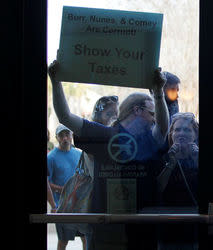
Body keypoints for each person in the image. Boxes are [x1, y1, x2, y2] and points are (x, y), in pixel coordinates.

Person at [48, 60, 170, 249]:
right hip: (106, 228)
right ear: (137, 110)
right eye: (151, 113)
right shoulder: (105, 135)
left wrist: (159, 95)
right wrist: (55, 82)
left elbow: (163, 128)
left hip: (143, 228)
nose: (155, 118)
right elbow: (65, 117)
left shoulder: (148, 139)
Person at [156, 112, 199, 249]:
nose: (182, 133)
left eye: (187, 130)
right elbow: (158, 188)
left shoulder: (201, 157)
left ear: (195, 135)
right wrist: (171, 163)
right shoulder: (162, 158)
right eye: (177, 129)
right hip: (167, 224)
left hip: (195, 225)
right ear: (171, 135)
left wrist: (197, 160)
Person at [47, 124, 86, 250]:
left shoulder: (79, 154)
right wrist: (55, 203)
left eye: (67, 135)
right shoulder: (51, 157)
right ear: (57, 138)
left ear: (71, 136)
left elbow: (84, 176)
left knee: (85, 238)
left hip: (79, 205)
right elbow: (47, 183)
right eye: (61, 135)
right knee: (63, 241)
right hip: (62, 206)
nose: (65, 138)